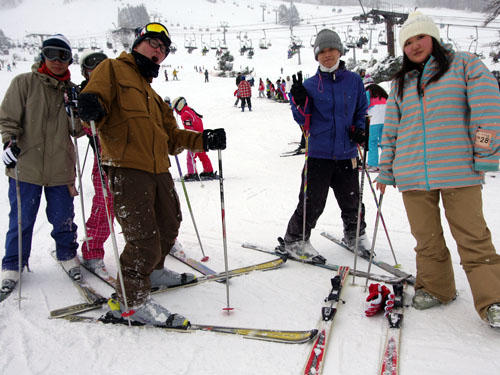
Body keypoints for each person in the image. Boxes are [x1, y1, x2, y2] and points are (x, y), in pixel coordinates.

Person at [77, 22, 226, 328]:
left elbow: (172, 139)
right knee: (142, 238)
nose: (158, 51)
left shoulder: (153, 95)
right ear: (138, 43)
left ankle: (154, 272)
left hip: (159, 169)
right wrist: (90, 104)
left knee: (169, 224)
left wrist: (204, 140)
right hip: (127, 167)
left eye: (164, 49)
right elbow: (95, 98)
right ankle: (129, 302)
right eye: (153, 43)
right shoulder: (113, 70)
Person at [375, 11, 500, 328]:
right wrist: (387, 171)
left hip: (458, 170)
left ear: (434, 37)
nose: (415, 45)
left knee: (473, 238)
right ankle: (436, 288)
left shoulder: (464, 64)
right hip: (412, 173)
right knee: (426, 238)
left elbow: (487, 109)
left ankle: (494, 300)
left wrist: (485, 153)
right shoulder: (401, 82)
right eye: (408, 41)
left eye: (420, 37)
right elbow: (391, 132)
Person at [0, 34, 84, 294]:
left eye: (64, 56)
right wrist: (8, 143)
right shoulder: (24, 83)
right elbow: (8, 118)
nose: (57, 61)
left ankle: (67, 254)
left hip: (60, 167)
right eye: (51, 54)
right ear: (43, 55)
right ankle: (13, 263)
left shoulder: (72, 91)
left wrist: (77, 109)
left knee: (63, 218)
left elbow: (77, 131)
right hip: (27, 166)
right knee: (22, 219)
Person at [278, 29, 369, 261]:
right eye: (323, 51)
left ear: (339, 51)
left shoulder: (354, 81)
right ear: (317, 55)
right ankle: (295, 239)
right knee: (312, 201)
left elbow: (361, 110)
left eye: (332, 50)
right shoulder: (309, 85)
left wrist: (359, 129)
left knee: (352, 200)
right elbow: (302, 119)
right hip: (319, 154)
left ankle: (355, 235)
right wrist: (298, 101)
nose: (328, 55)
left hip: (347, 152)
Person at [78, 50, 114, 280]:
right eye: (93, 68)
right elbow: (86, 128)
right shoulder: (85, 93)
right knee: (105, 205)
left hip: (133, 157)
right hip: (104, 159)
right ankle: (92, 252)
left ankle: (159, 243)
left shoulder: (120, 89)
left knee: (145, 204)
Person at [172, 97, 217, 181]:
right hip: (201, 136)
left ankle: (192, 173)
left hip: (194, 139)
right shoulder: (190, 111)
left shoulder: (185, 114)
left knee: (190, 156)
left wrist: (188, 139)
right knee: (202, 154)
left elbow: (189, 129)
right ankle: (208, 170)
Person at [363, 75, 388, 172]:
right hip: (386, 118)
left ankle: (373, 164)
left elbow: (365, 104)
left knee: (372, 141)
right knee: (384, 142)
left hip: (374, 119)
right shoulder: (381, 91)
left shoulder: (367, 91)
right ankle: (387, 164)